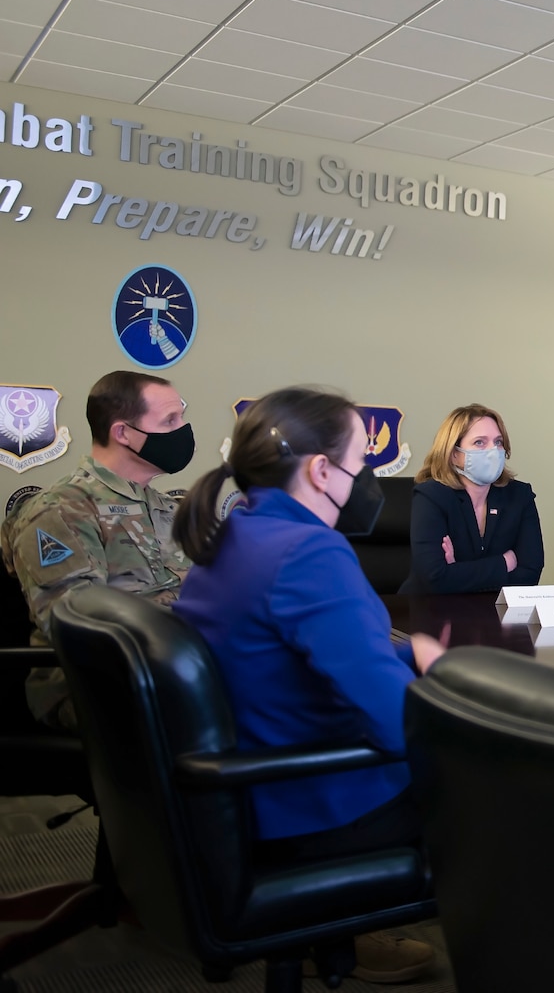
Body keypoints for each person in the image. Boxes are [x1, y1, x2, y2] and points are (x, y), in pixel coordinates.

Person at [171, 387, 443, 984]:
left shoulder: (236, 535)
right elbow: (397, 725)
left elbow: (285, 655)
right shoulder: (310, 552)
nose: (365, 478)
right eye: (360, 462)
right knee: (530, 790)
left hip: (247, 790)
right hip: (314, 804)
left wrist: (402, 651)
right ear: (322, 470)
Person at [1, 371, 194, 730]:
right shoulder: (61, 510)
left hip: (177, 667)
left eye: (181, 416)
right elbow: (77, 622)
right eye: (170, 420)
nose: (183, 429)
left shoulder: (169, 508)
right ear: (123, 433)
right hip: (95, 685)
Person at [400, 404, 543, 594]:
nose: (493, 450)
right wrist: (504, 563)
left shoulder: (519, 496)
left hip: (495, 614)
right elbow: (435, 578)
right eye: (479, 442)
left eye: (498, 442)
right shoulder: (432, 496)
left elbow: (530, 575)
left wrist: (457, 572)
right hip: (431, 613)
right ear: (453, 454)